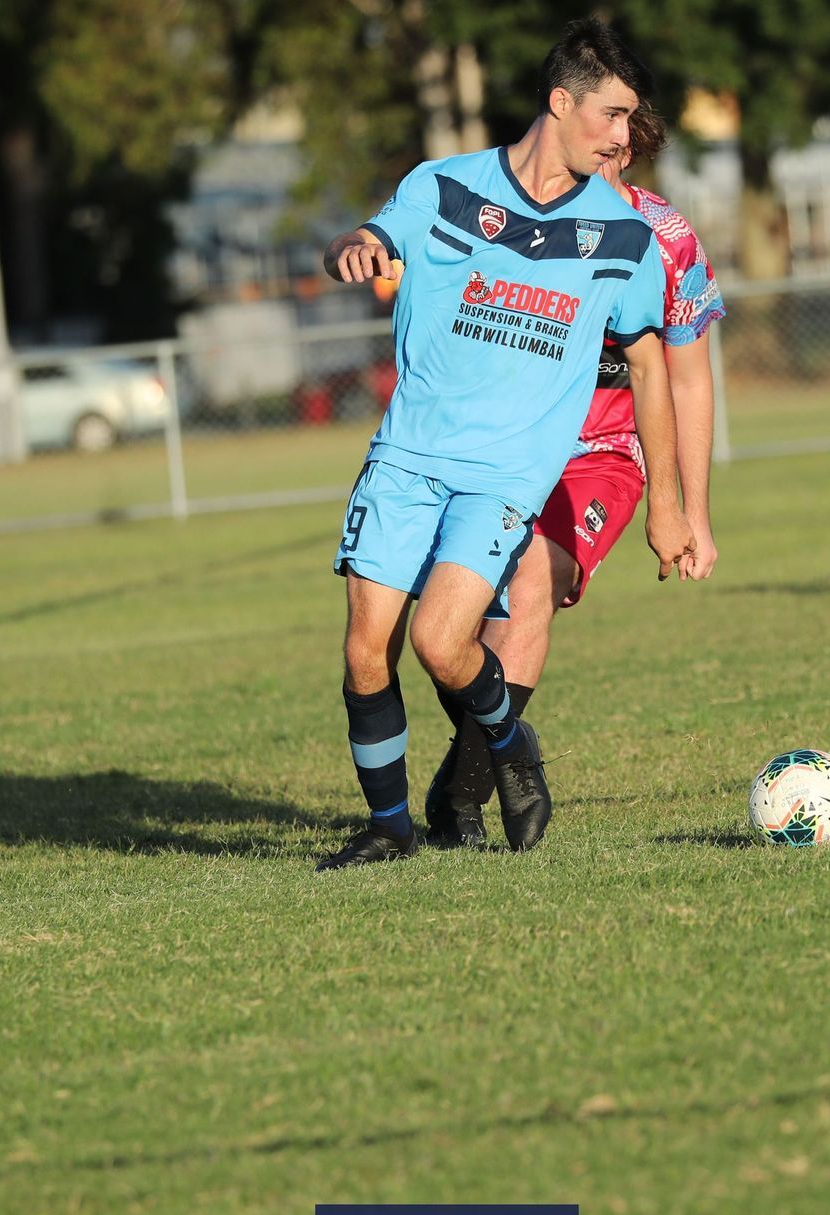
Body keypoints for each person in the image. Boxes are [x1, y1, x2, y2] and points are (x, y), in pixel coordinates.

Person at [316, 19, 695, 871]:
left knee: (442, 643)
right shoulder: (444, 187)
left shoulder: (625, 237)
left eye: (631, 119)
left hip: (502, 476)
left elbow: (651, 367)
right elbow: (373, 239)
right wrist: (358, 246)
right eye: (611, 115)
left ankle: (513, 750)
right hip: (408, 454)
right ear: (560, 103)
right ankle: (389, 827)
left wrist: (666, 503)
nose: (623, 136)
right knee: (361, 649)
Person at [421, 107, 727, 844]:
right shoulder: (514, 220)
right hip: (502, 442)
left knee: (533, 586)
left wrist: (688, 509)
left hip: (603, 457)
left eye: (621, 130)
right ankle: (483, 766)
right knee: (447, 627)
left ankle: (461, 798)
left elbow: (685, 380)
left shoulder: (667, 237)